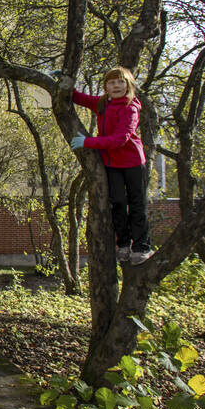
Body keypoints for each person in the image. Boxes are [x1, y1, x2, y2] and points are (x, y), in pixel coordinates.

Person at [68, 67, 154, 265]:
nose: (116, 86)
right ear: (106, 86)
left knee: (137, 204)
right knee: (117, 203)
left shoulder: (130, 107)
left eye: (121, 82)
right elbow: (78, 98)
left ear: (128, 85)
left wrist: (88, 142)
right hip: (111, 163)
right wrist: (63, 82)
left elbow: (119, 140)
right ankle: (123, 245)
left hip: (132, 162)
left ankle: (142, 247)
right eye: (112, 82)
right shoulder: (102, 103)